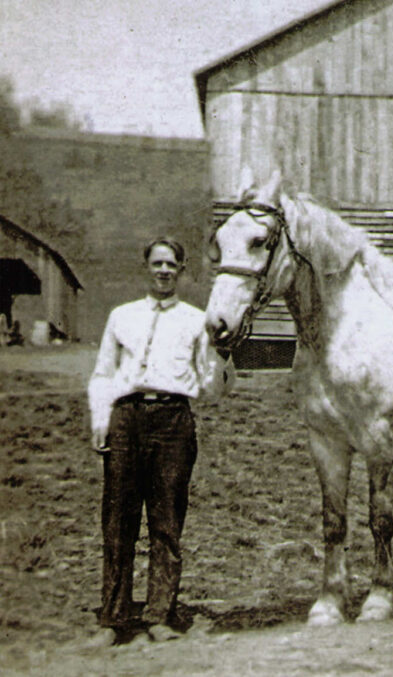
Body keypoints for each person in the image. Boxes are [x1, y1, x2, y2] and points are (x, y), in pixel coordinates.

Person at [86, 236, 233, 646]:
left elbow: (212, 386)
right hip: (125, 418)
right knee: (118, 522)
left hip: (173, 421)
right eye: (157, 264)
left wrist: (223, 356)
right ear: (146, 268)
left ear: (182, 271)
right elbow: (102, 373)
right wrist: (101, 419)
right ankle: (114, 620)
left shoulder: (197, 320)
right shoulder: (121, 316)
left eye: (172, 264)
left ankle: (159, 617)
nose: (165, 271)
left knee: (167, 522)